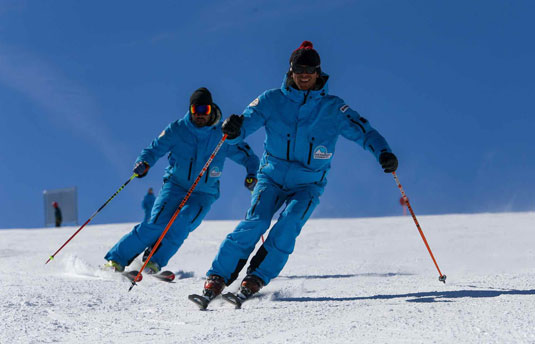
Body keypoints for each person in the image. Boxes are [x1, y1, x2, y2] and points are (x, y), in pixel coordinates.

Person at [198, 41, 398, 302]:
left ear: (319, 73)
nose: (304, 75)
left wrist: (383, 152)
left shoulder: (333, 109)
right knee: (256, 221)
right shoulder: (272, 100)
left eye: (310, 70)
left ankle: (256, 277)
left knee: (289, 223)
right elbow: (245, 125)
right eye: (299, 69)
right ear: (290, 72)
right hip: (271, 177)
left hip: (308, 185)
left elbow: (365, 132)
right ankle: (218, 277)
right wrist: (234, 129)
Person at [104, 87, 260, 274]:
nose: (200, 115)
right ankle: (116, 259)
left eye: (205, 111)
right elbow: (154, 149)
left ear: (211, 110)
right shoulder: (177, 130)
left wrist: (252, 174)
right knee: (156, 224)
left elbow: (249, 157)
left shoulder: (223, 134)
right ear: (190, 110)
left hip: (204, 193)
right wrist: (144, 163)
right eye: (196, 111)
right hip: (175, 186)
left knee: (182, 223)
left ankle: (154, 261)